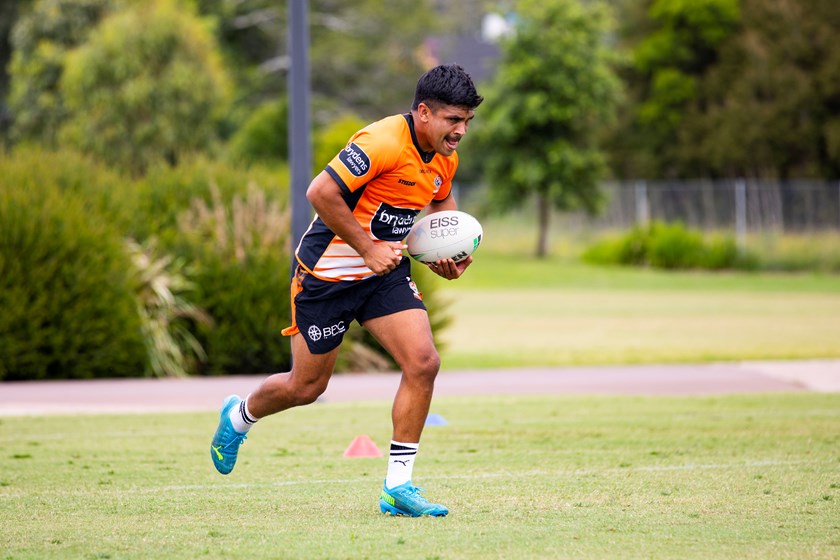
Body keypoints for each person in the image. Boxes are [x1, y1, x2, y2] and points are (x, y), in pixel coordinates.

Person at [210, 64, 483, 517]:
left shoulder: (443, 156)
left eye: (467, 121)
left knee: (423, 362)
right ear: (423, 112)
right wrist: (367, 247)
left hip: (383, 275)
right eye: (454, 120)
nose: (461, 131)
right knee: (306, 387)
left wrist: (445, 258)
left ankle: (398, 486)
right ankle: (239, 417)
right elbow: (319, 193)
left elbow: (440, 212)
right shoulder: (380, 142)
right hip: (326, 277)